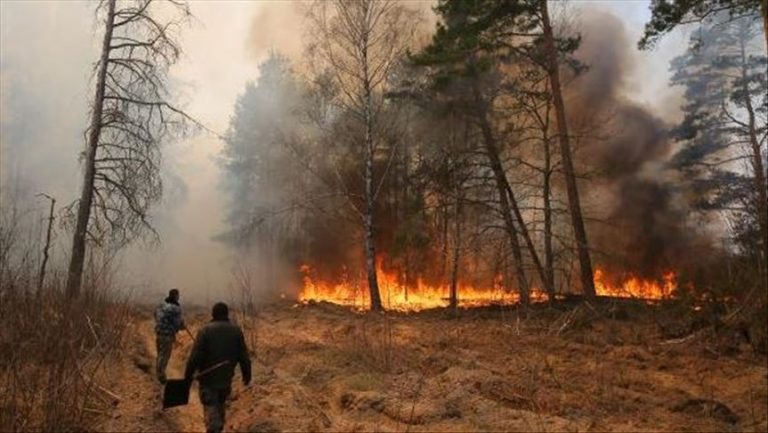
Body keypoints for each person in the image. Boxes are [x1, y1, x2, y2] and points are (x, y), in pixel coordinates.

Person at [185, 302, 251, 433]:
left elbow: (195, 357)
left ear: (213, 314)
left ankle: (214, 429)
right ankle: (218, 427)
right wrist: (247, 374)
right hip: (226, 379)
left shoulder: (205, 331)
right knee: (220, 407)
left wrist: (188, 376)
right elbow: (243, 356)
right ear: (226, 314)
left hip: (207, 380)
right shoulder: (236, 331)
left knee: (211, 410)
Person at [154, 288, 186, 384]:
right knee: (165, 356)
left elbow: (155, 316)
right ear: (176, 296)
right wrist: (182, 326)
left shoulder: (160, 306)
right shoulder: (176, 309)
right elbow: (178, 324)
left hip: (158, 333)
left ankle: (158, 372)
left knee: (160, 354)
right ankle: (161, 376)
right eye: (178, 295)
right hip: (167, 336)